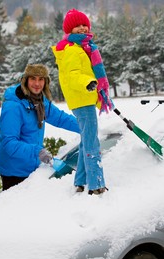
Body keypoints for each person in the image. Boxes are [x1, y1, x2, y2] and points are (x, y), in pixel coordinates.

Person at [52, 9, 114, 195]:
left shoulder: (84, 48)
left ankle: (80, 181)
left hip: (84, 98)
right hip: (82, 99)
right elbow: (72, 75)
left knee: (86, 141)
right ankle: (96, 185)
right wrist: (88, 83)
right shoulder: (72, 50)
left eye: (84, 24)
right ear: (70, 30)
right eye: (77, 25)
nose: (82, 28)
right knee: (91, 142)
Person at [0, 64, 80, 191]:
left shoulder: (40, 101)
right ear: (26, 80)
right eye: (33, 78)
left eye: (41, 79)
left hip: (31, 164)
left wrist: (84, 126)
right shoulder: (13, 106)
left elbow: (60, 118)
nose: (37, 83)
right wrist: (37, 151)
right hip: (13, 170)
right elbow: (9, 143)